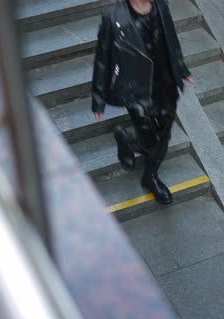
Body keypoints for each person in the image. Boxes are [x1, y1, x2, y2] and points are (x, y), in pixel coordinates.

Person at [91, 0, 193, 205]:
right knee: (149, 138)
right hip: (135, 88)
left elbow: (171, 39)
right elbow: (103, 58)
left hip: (165, 82)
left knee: (164, 133)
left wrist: (181, 68)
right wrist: (98, 97)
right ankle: (138, 155)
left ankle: (147, 171)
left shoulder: (161, 6)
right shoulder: (114, 19)